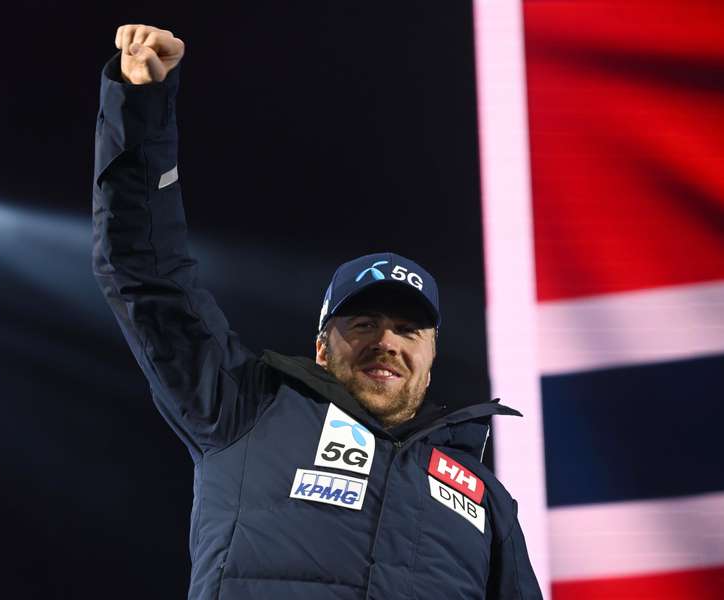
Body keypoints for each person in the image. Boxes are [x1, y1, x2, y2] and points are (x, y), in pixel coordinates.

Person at [92, 24, 543, 600]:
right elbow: (145, 273)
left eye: (409, 329)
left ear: (430, 358)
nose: (387, 341)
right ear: (323, 347)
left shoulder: (484, 498)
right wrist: (140, 105)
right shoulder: (246, 407)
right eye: (364, 324)